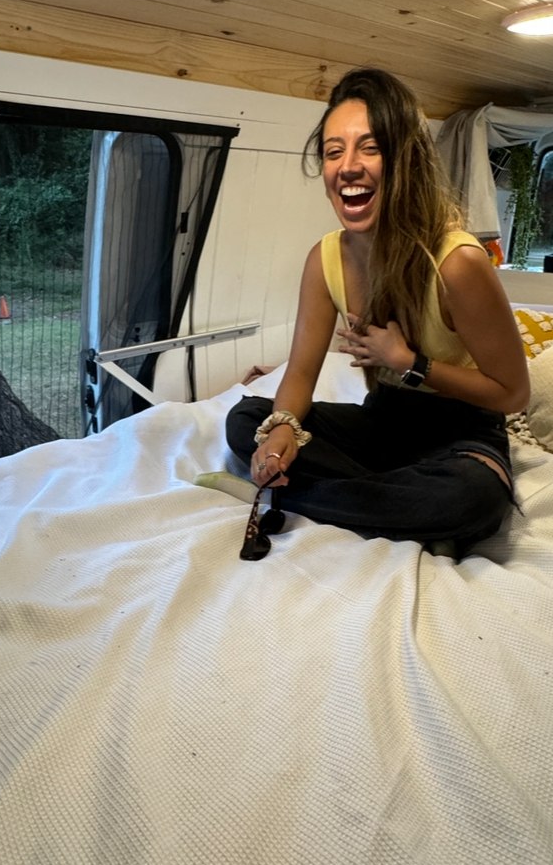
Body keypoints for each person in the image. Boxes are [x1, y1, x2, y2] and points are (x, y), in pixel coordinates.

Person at [225, 67, 530, 560]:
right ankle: (388, 500)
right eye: (333, 151)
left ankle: (305, 494)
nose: (348, 166)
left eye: (370, 147)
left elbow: (514, 392)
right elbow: (301, 371)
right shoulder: (324, 258)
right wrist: (282, 429)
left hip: (460, 432)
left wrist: (412, 363)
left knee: (473, 499)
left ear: (405, 159)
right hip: (383, 422)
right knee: (246, 418)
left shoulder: (459, 263)